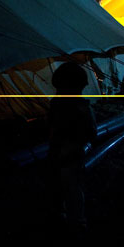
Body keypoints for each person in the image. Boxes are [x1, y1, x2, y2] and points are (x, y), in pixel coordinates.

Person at [46, 61, 97, 236]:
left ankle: (76, 222)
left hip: (70, 155)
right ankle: (63, 214)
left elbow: (90, 133)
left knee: (71, 188)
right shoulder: (63, 105)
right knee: (61, 185)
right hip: (61, 152)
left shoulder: (79, 109)